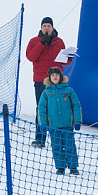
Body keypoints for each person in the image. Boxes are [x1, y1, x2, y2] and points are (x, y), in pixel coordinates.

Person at [26, 16, 72, 147]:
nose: (46, 28)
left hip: (56, 82)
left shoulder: (59, 42)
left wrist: (69, 57)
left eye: (49, 26)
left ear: (52, 27)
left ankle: (57, 140)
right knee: (42, 109)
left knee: (57, 110)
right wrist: (42, 43)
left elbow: (65, 62)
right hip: (41, 81)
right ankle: (40, 139)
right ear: (41, 28)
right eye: (44, 26)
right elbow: (31, 57)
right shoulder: (34, 41)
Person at [37, 66, 82, 175]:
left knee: (69, 145)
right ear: (49, 77)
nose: (55, 77)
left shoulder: (68, 91)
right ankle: (60, 166)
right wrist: (43, 125)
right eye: (52, 75)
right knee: (56, 146)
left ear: (61, 76)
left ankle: (73, 167)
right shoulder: (46, 93)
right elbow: (41, 109)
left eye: (57, 75)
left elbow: (76, 106)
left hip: (67, 124)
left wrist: (77, 120)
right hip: (53, 126)